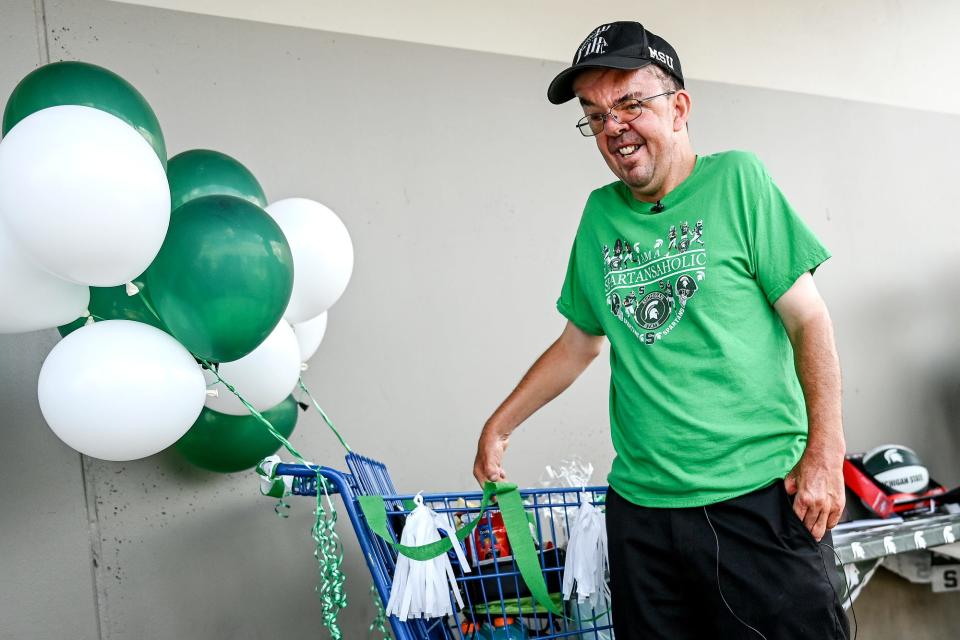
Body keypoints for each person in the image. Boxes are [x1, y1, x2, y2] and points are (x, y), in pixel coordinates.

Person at [472, 21, 849, 639]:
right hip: (642, 515)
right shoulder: (600, 215)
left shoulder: (738, 181)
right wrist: (501, 424)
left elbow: (810, 319)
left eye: (630, 103)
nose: (613, 126)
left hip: (755, 497)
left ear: (679, 109)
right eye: (595, 115)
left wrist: (825, 454)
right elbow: (580, 341)